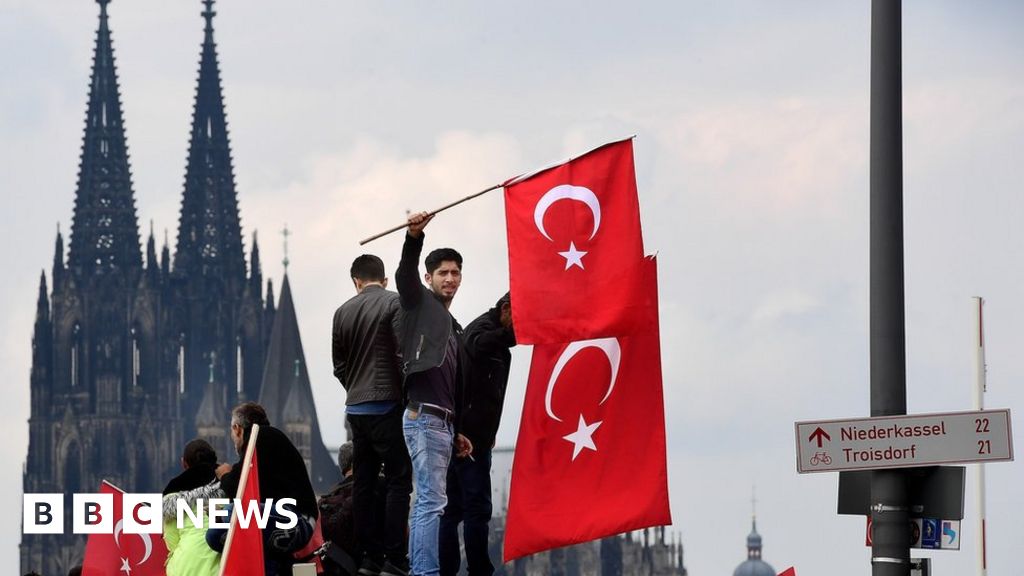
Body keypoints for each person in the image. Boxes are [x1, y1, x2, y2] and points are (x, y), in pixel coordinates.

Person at [396, 211, 473, 576]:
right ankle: (424, 572)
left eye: (455, 272)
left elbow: (450, 384)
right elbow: (403, 278)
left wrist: (455, 427)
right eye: (442, 272)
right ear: (429, 278)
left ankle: (421, 570)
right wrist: (414, 238)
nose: (450, 278)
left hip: (440, 421)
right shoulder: (419, 304)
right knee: (430, 500)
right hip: (423, 415)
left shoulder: (452, 326)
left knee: (432, 501)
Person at [332, 254, 411, 576]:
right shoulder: (395, 304)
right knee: (397, 481)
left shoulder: (341, 312)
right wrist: (404, 397)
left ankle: (368, 557)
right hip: (387, 406)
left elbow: (339, 366)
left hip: (356, 409)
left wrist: (355, 390)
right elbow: (402, 353)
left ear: (356, 281)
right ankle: (395, 558)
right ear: (385, 279)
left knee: (362, 483)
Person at [439, 293, 515, 576]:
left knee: (453, 509)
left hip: (470, 434)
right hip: (468, 440)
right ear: (505, 310)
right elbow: (478, 343)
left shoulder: (488, 332)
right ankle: (479, 569)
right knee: (477, 509)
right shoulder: (481, 331)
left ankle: (448, 569)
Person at [210, 402, 319, 576]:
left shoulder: (260, 438)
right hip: (291, 520)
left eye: (232, 431)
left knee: (222, 522)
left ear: (238, 429)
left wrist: (224, 474)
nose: (232, 438)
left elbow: (234, 487)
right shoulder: (270, 440)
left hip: (297, 520)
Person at [162, 438, 224, 576]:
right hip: (221, 565)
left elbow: (172, 541)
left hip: (184, 566)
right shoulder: (229, 484)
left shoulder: (171, 496)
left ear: (184, 463)